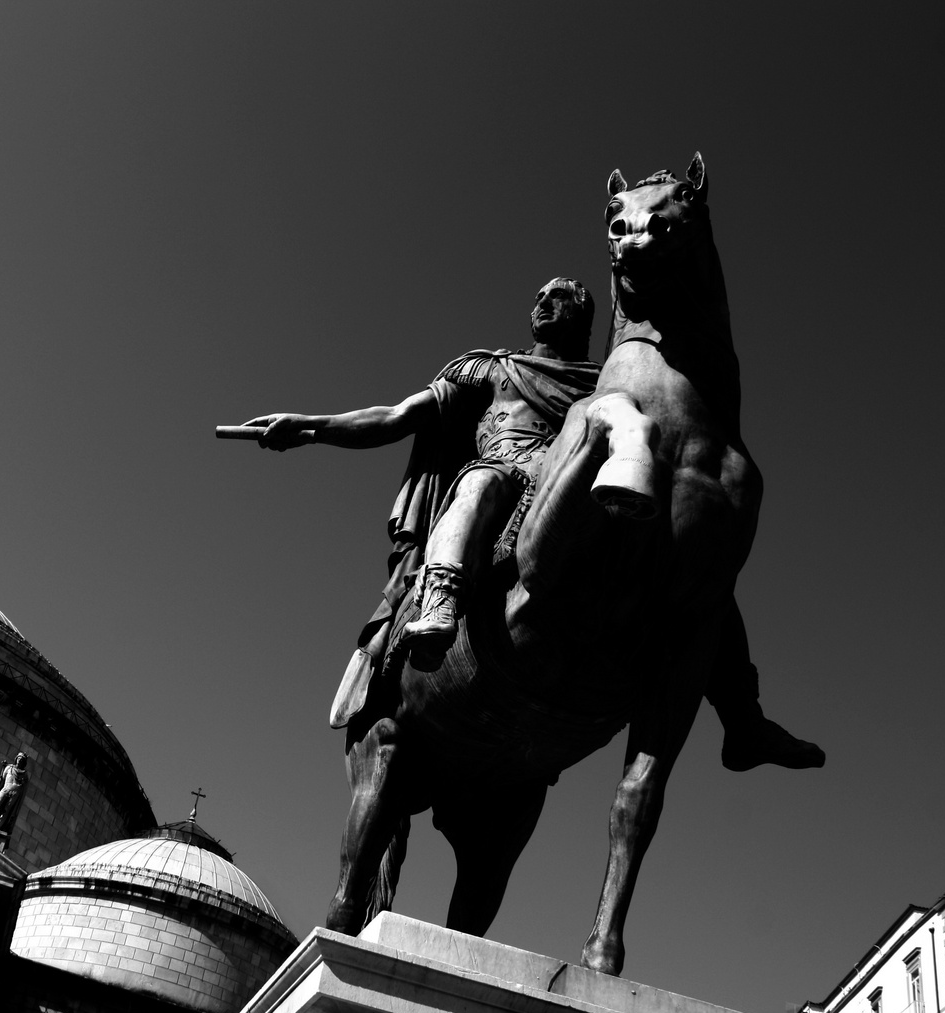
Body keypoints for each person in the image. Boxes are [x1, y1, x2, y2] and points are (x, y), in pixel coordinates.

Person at [241, 277, 822, 771]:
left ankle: (742, 716)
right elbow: (395, 417)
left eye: (562, 297)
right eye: (540, 296)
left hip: (572, 479)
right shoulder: (490, 370)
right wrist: (311, 426)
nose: (545, 303)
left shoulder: (608, 382)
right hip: (505, 473)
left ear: (586, 316)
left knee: (694, 564)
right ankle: (441, 601)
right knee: (477, 483)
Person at [0, 752, 29, 832]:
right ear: (16, 759)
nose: (19, 761)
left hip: (15, 792)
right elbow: (2, 779)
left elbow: (24, 788)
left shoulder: (25, 775)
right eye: (19, 759)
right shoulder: (9, 768)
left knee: (6, 810)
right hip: (5, 789)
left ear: (24, 763)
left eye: (22, 760)